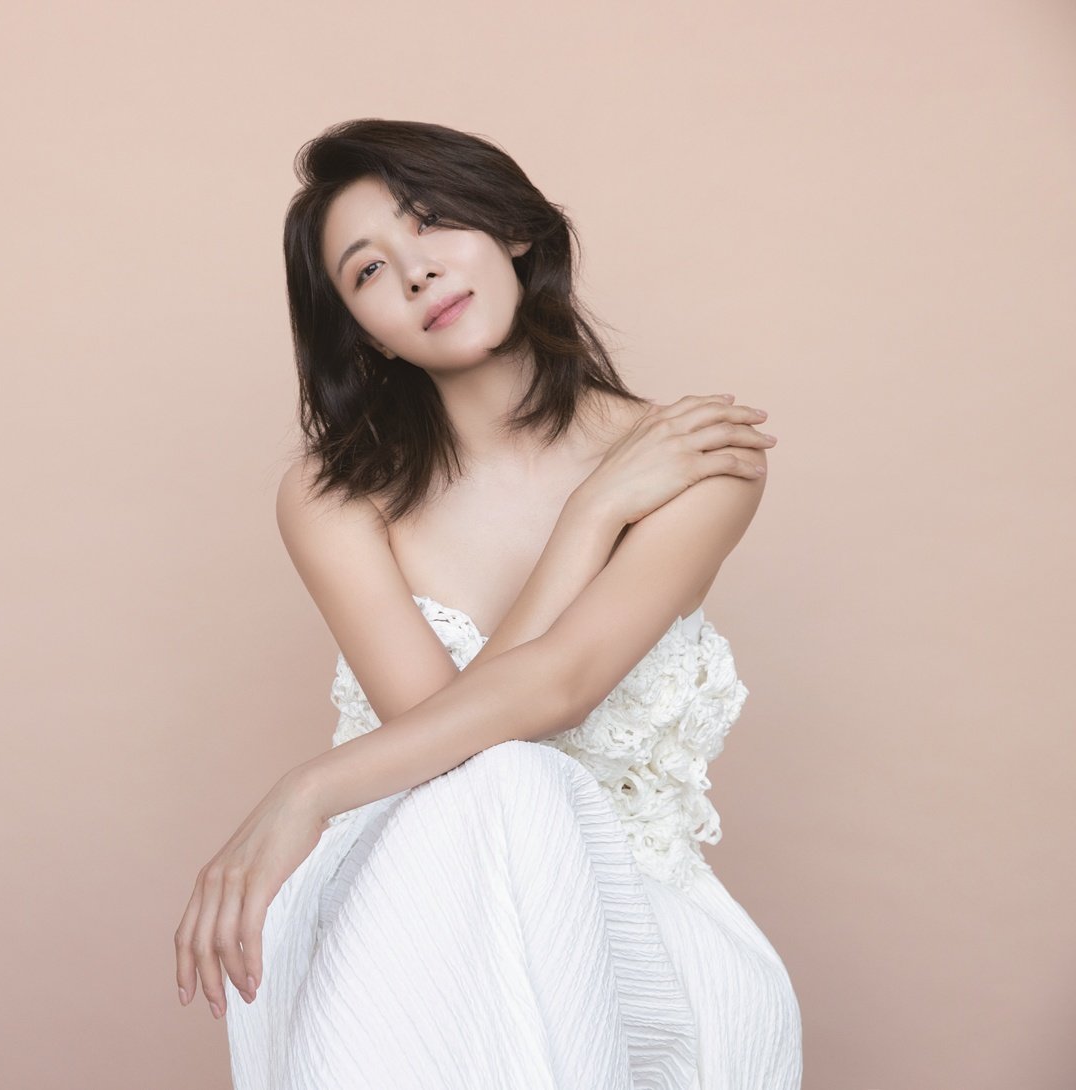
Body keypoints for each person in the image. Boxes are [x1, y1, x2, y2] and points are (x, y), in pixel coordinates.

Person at [173, 118, 804, 1089]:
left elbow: (563, 684)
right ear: (360, 331)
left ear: (513, 229)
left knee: (522, 788)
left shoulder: (692, 461)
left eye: (432, 221)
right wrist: (590, 520)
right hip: (411, 908)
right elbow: (454, 753)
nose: (416, 271)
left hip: (636, 924)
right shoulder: (333, 496)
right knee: (505, 784)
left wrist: (306, 790)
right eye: (368, 270)